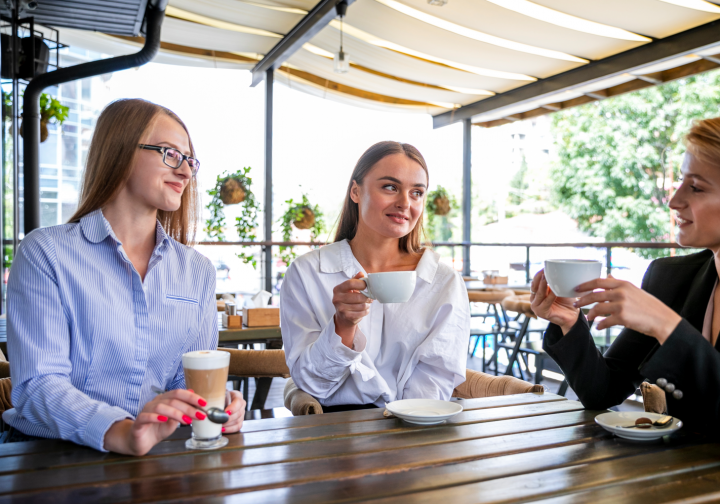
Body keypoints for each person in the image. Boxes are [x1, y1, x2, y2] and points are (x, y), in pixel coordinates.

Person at [531, 106, 720, 466]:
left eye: (696, 187)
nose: (674, 201)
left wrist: (669, 328)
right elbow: (602, 392)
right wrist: (569, 323)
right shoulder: (672, 277)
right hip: (685, 481)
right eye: (681, 182)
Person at [2, 99, 245, 455]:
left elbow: (185, 380)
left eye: (189, 160)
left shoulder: (197, 270)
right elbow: (38, 385)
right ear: (121, 151)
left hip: (156, 449)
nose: (185, 172)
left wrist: (215, 404)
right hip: (49, 452)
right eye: (170, 154)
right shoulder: (46, 253)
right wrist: (121, 431)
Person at [280, 141, 469, 411]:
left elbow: (437, 377)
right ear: (355, 191)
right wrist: (343, 326)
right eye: (390, 187)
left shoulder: (444, 282)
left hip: (418, 421)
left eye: (416, 192)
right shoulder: (306, 273)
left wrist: (404, 422)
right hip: (333, 425)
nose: (405, 203)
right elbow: (311, 383)